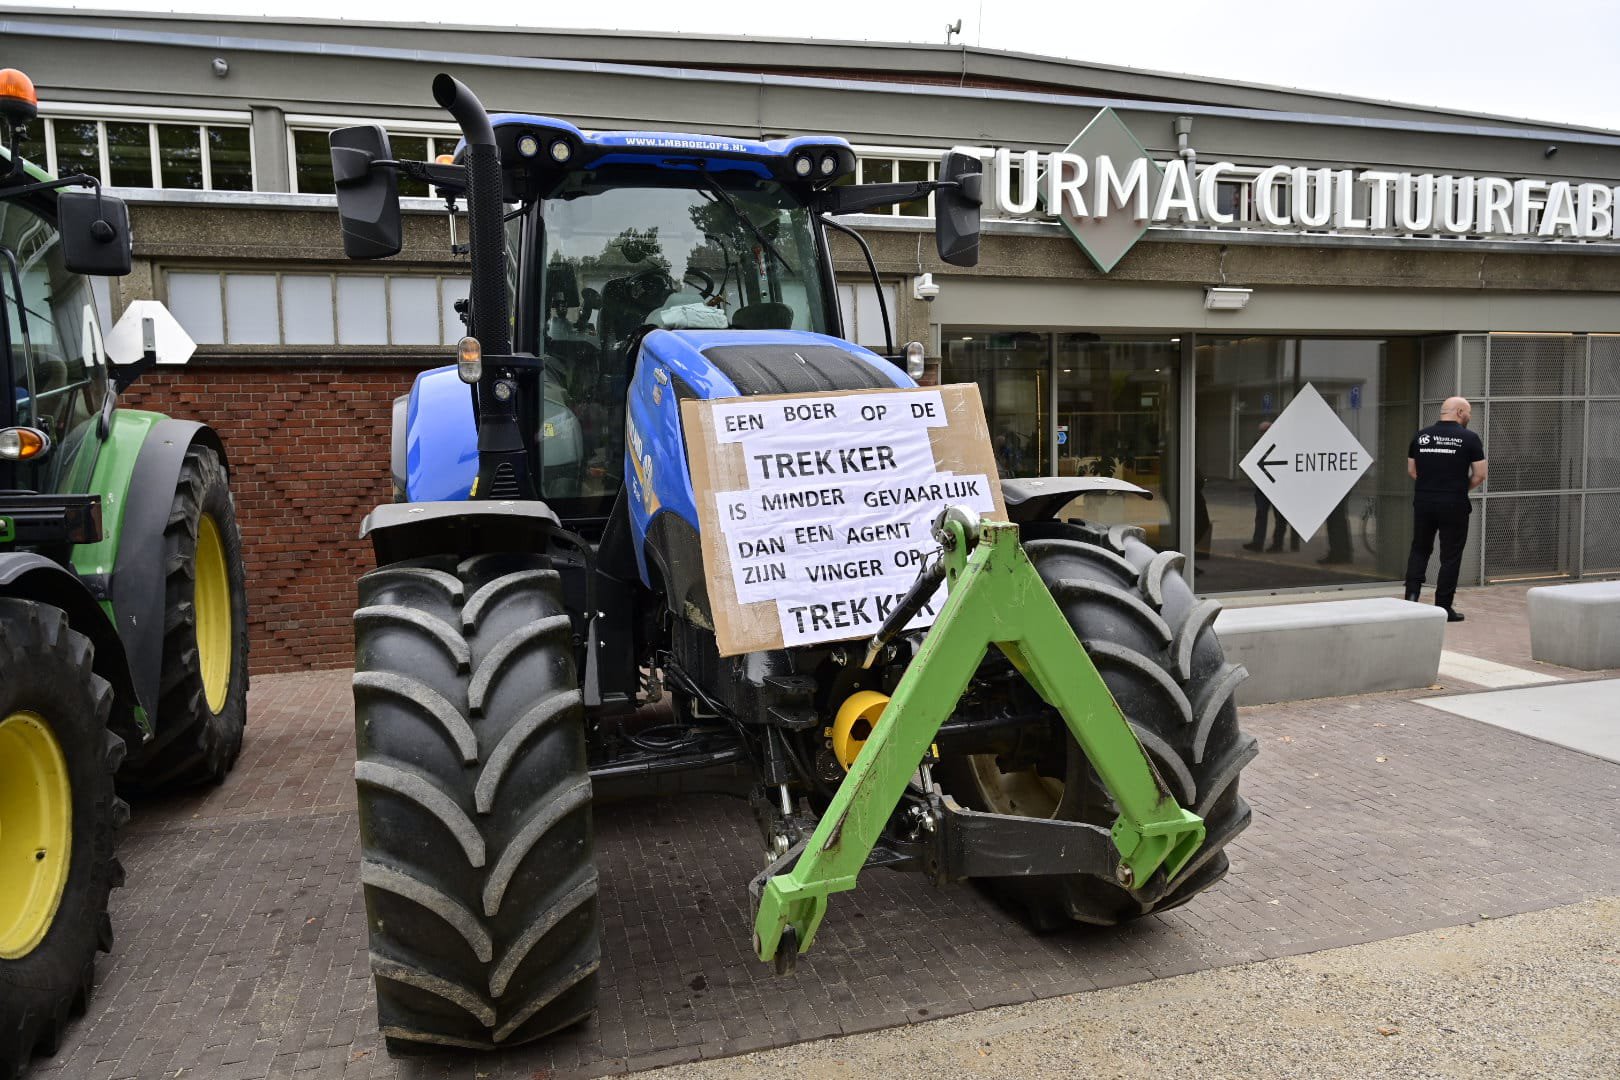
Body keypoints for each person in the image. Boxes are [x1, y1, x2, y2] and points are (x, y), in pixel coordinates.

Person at [1404, 396, 1487, 622]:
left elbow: (1412, 470)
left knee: (1419, 550)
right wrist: (1459, 488)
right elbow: (1480, 474)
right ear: (1460, 412)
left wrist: (1431, 485)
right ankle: (1443, 607)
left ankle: (1411, 600)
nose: (1469, 417)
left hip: (1424, 501)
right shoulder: (1469, 438)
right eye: (1468, 412)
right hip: (1454, 503)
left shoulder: (1421, 436)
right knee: (1450, 556)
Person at [1243, 420, 1298, 553]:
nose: (1263, 434)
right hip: (1263, 486)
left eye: (1266, 431)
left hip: (1277, 487)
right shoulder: (1258, 444)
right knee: (1261, 514)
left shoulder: (1281, 444)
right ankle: (1258, 542)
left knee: (1279, 517)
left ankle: (1277, 543)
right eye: (1262, 431)